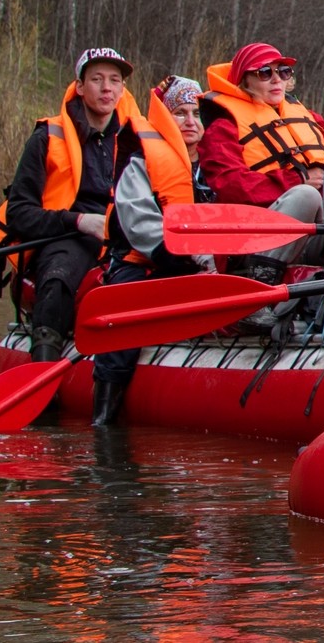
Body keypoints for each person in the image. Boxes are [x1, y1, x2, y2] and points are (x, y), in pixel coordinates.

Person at [0, 50, 151, 367]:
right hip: (69, 234)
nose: (107, 88)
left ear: (122, 90)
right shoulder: (46, 138)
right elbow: (19, 213)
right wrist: (78, 221)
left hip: (126, 234)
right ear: (79, 86)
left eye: (114, 80)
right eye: (97, 79)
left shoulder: (139, 139)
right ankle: (44, 362)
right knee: (60, 274)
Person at [84, 76, 207, 423]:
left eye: (196, 114)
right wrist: (176, 255)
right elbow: (137, 218)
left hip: (201, 264)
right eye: (180, 113)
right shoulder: (142, 155)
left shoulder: (218, 162)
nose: (189, 122)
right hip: (145, 261)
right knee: (124, 323)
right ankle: (103, 420)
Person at [196, 41, 324, 288]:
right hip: (254, 243)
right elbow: (231, 184)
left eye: (283, 71)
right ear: (244, 81)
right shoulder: (223, 127)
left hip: (316, 236)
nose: (276, 79)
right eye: (264, 73)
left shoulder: (306, 117)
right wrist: (298, 179)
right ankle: (258, 283)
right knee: (306, 196)